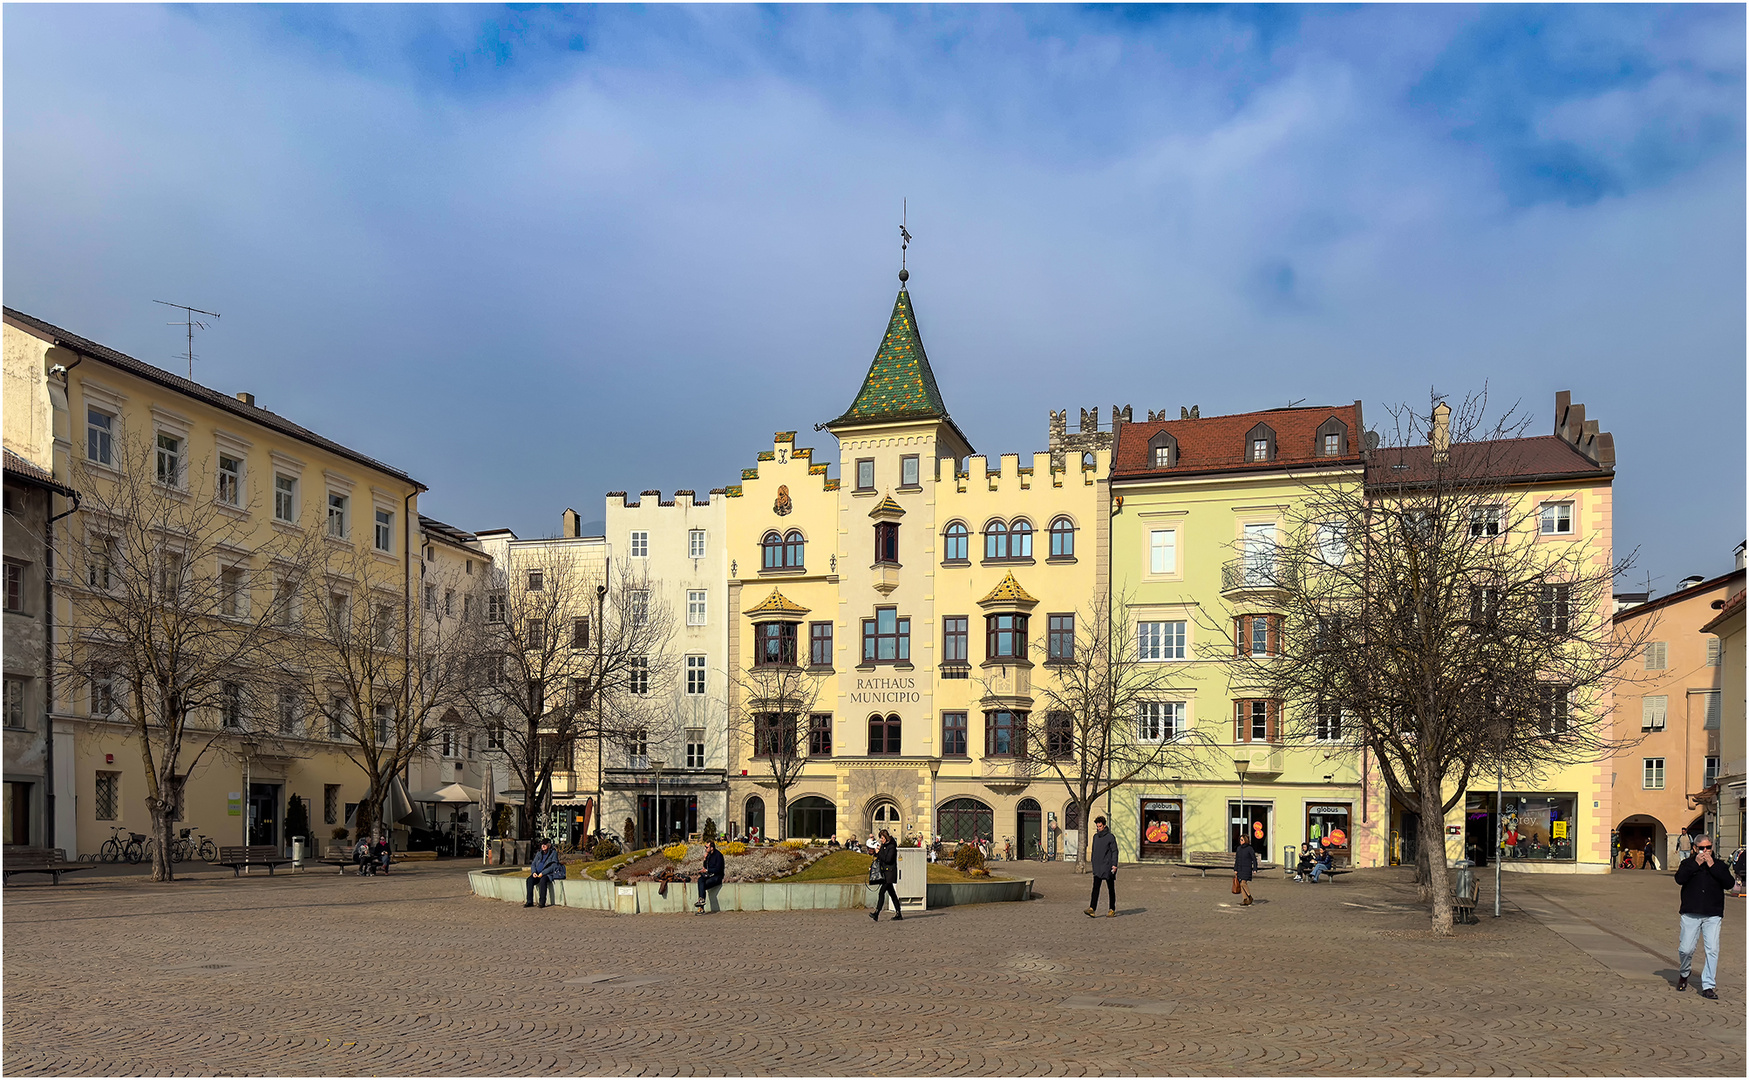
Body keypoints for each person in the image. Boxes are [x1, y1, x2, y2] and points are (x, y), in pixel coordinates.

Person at [1674, 834, 1733, 998]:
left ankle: (1708, 985)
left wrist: (1712, 865)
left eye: (1708, 848)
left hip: (1712, 914)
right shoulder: (1687, 864)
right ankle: (1684, 973)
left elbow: (1729, 883)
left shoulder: (1719, 865)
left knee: (1712, 949)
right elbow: (1679, 879)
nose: (1705, 851)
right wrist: (1696, 864)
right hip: (1690, 912)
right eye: (1701, 848)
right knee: (1685, 949)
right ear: (1694, 848)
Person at [1085, 816, 1118, 917]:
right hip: (1098, 867)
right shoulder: (1095, 837)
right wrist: (1093, 862)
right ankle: (1092, 908)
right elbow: (1094, 851)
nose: (1098, 828)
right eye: (1097, 826)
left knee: (1110, 889)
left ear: (1104, 825)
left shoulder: (1110, 837)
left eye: (1100, 826)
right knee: (1095, 888)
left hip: (1108, 867)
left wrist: (1114, 864)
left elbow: (1114, 851)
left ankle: (1112, 909)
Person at [869, 829, 902, 921]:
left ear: (886, 837)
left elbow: (888, 860)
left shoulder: (891, 847)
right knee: (892, 893)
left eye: (882, 838)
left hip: (890, 873)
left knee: (882, 892)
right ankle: (898, 912)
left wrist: (879, 853)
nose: (881, 840)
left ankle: (877, 912)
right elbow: (881, 858)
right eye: (880, 838)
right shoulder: (884, 846)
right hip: (885, 873)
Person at [525, 838, 561, 909]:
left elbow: (553, 866)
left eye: (545, 844)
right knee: (529, 880)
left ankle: (542, 902)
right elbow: (533, 864)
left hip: (547, 874)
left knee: (543, 881)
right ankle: (529, 901)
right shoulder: (539, 853)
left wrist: (543, 873)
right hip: (537, 873)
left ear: (549, 845)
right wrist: (534, 872)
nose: (543, 846)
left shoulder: (553, 853)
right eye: (542, 844)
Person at [694, 839, 725, 914]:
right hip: (710, 875)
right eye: (705, 847)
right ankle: (701, 901)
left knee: (703, 885)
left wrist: (707, 870)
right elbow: (706, 867)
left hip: (717, 876)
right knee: (700, 880)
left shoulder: (718, 855)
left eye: (707, 847)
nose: (705, 849)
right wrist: (705, 860)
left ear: (712, 848)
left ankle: (701, 907)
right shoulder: (708, 855)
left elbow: (718, 869)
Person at [1234, 836, 1257, 906]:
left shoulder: (1249, 848)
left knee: (1243, 883)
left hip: (1247, 868)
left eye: (1242, 840)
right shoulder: (1239, 848)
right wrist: (1235, 869)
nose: (1240, 841)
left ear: (1245, 840)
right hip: (1240, 868)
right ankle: (1245, 899)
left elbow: (1254, 859)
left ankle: (1249, 897)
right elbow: (1237, 859)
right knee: (1241, 884)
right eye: (1240, 840)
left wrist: (1255, 868)